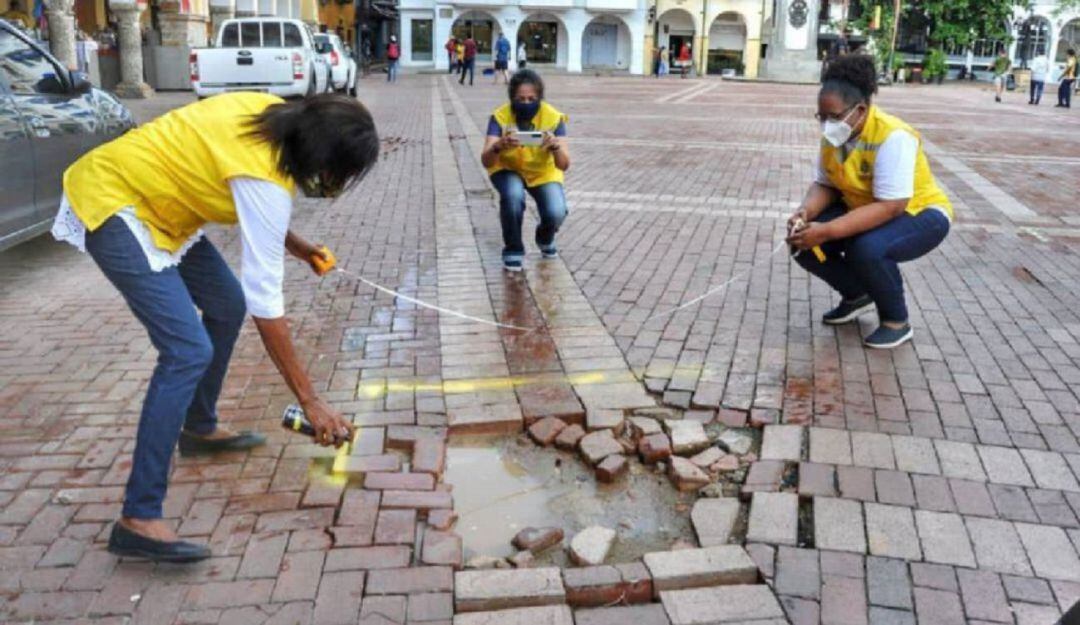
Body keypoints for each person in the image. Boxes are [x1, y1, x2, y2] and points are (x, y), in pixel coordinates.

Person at [50, 93, 379, 561]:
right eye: (337, 173)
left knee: (226, 304)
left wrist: (301, 247)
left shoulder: (273, 113)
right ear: (321, 156)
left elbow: (250, 200)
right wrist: (311, 401)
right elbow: (268, 299)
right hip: (115, 199)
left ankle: (199, 427)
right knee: (186, 351)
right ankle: (138, 516)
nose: (333, 184)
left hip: (163, 203)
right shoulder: (265, 177)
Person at [787, 54, 952, 349]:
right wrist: (806, 212)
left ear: (860, 110)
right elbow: (825, 184)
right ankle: (856, 295)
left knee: (868, 249)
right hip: (865, 209)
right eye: (821, 117)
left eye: (834, 117)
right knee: (801, 243)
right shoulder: (836, 136)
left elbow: (892, 206)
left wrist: (825, 231)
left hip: (920, 214)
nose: (826, 125)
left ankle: (896, 321)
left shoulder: (893, 136)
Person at [480, 70, 570, 272]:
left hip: (542, 172)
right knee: (513, 195)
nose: (526, 103)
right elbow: (486, 160)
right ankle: (513, 249)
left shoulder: (554, 118)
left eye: (532, 99)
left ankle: (545, 237)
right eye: (520, 99)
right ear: (512, 98)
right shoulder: (500, 117)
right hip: (507, 168)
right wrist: (499, 145)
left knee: (556, 212)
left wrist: (555, 147)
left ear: (540, 98)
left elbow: (564, 165)